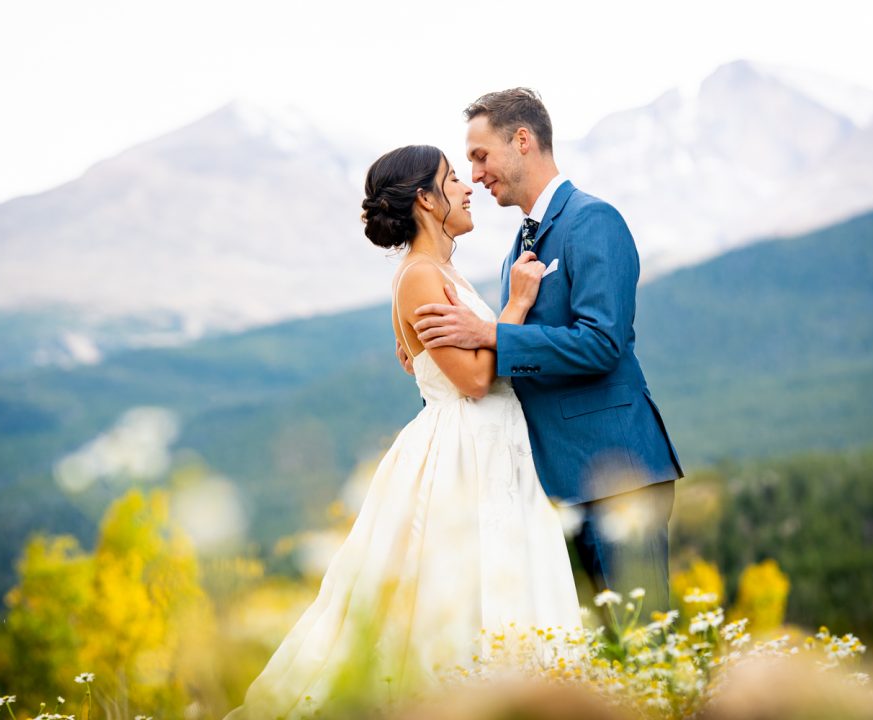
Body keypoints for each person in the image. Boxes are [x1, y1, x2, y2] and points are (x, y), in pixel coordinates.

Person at [223, 145, 581, 720]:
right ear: (424, 199)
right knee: (455, 598)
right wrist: (515, 306)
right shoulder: (418, 276)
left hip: (492, 448)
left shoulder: (441, 271)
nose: (467, 188)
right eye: (453, 178)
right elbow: (472, 380)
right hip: (463, 454)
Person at [407, 89, 683, 615]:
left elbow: (602, 344)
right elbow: (520, 360)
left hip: (613, 475)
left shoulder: (593, 221)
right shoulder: (522, 243)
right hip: (552, 486)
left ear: (523, 141)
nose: (476, 173)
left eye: (480, 156)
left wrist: (490, 336)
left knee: (638, 645)